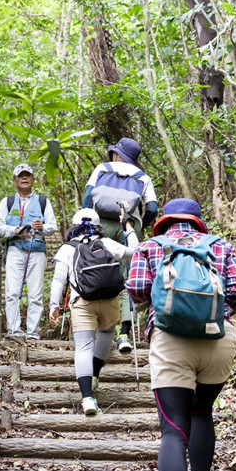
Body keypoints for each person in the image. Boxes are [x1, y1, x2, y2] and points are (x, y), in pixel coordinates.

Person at [126, 198, 236, 471]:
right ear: (197, 222)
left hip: (170, 341)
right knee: (201, 413)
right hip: (218, 338)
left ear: (164, 222)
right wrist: (215, 312)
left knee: (173, 429)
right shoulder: (220, 246)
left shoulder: (150, 247)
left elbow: (135, 292)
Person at [47, 208, 137, 416]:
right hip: (111, 299)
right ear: (99, 225)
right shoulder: (106, 244)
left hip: (82, 301)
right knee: (105, 334)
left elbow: (59, 278)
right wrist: (128, 227)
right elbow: (135, 250)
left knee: (84, 346)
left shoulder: (67, 248)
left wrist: (54, 305)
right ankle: (95, 374)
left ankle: (87, 397)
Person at [82, 138, 158, 354]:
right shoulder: (143, 177)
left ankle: (100, 330)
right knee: (129, 279)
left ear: (117, 154)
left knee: (98, 272)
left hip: (100, 225)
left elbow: (87, 198)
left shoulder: (102, 168)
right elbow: (152, 208)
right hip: (128, 227)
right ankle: (124, 334)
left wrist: (88, 220)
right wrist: (138, 223)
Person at [0, 164, 57, 339]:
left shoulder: (43, 201)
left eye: (27, 175)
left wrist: (42, 227)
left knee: (35, 293)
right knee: (12, 292)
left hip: (36, 251)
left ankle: (32, 333)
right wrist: (15, 231)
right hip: (15, 250)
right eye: (20, 176)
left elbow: (53, 226)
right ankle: (14, 331)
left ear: (33, 180)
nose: (24, 178)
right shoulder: (7, 202)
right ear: (14, 181)